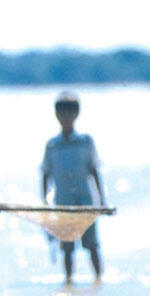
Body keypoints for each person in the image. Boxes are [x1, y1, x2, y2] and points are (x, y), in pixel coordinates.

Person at [41, 91, 106, 285]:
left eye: (69, 113)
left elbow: (94, 170)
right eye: (62, 113)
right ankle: (68, 282)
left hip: (86, 203)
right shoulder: (52, 145)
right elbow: (46, 174)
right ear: (56, 115)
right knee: (67, 248)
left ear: (76, 114)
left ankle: (98, 281)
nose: (66, 117)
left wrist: (101, 200)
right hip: (63, 205)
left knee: (92, 245)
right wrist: (45, 201)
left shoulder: (85, 142)